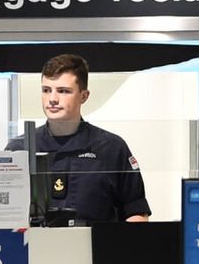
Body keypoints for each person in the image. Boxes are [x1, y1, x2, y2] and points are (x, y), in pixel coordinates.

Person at [12, 53, 151, 224]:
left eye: (63, 91)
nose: (53, 99)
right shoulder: (18, 149)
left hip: (98, 248)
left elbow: (136, 212)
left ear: (84, 96)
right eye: (46, 90)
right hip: (33, 248)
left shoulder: (111, 148)